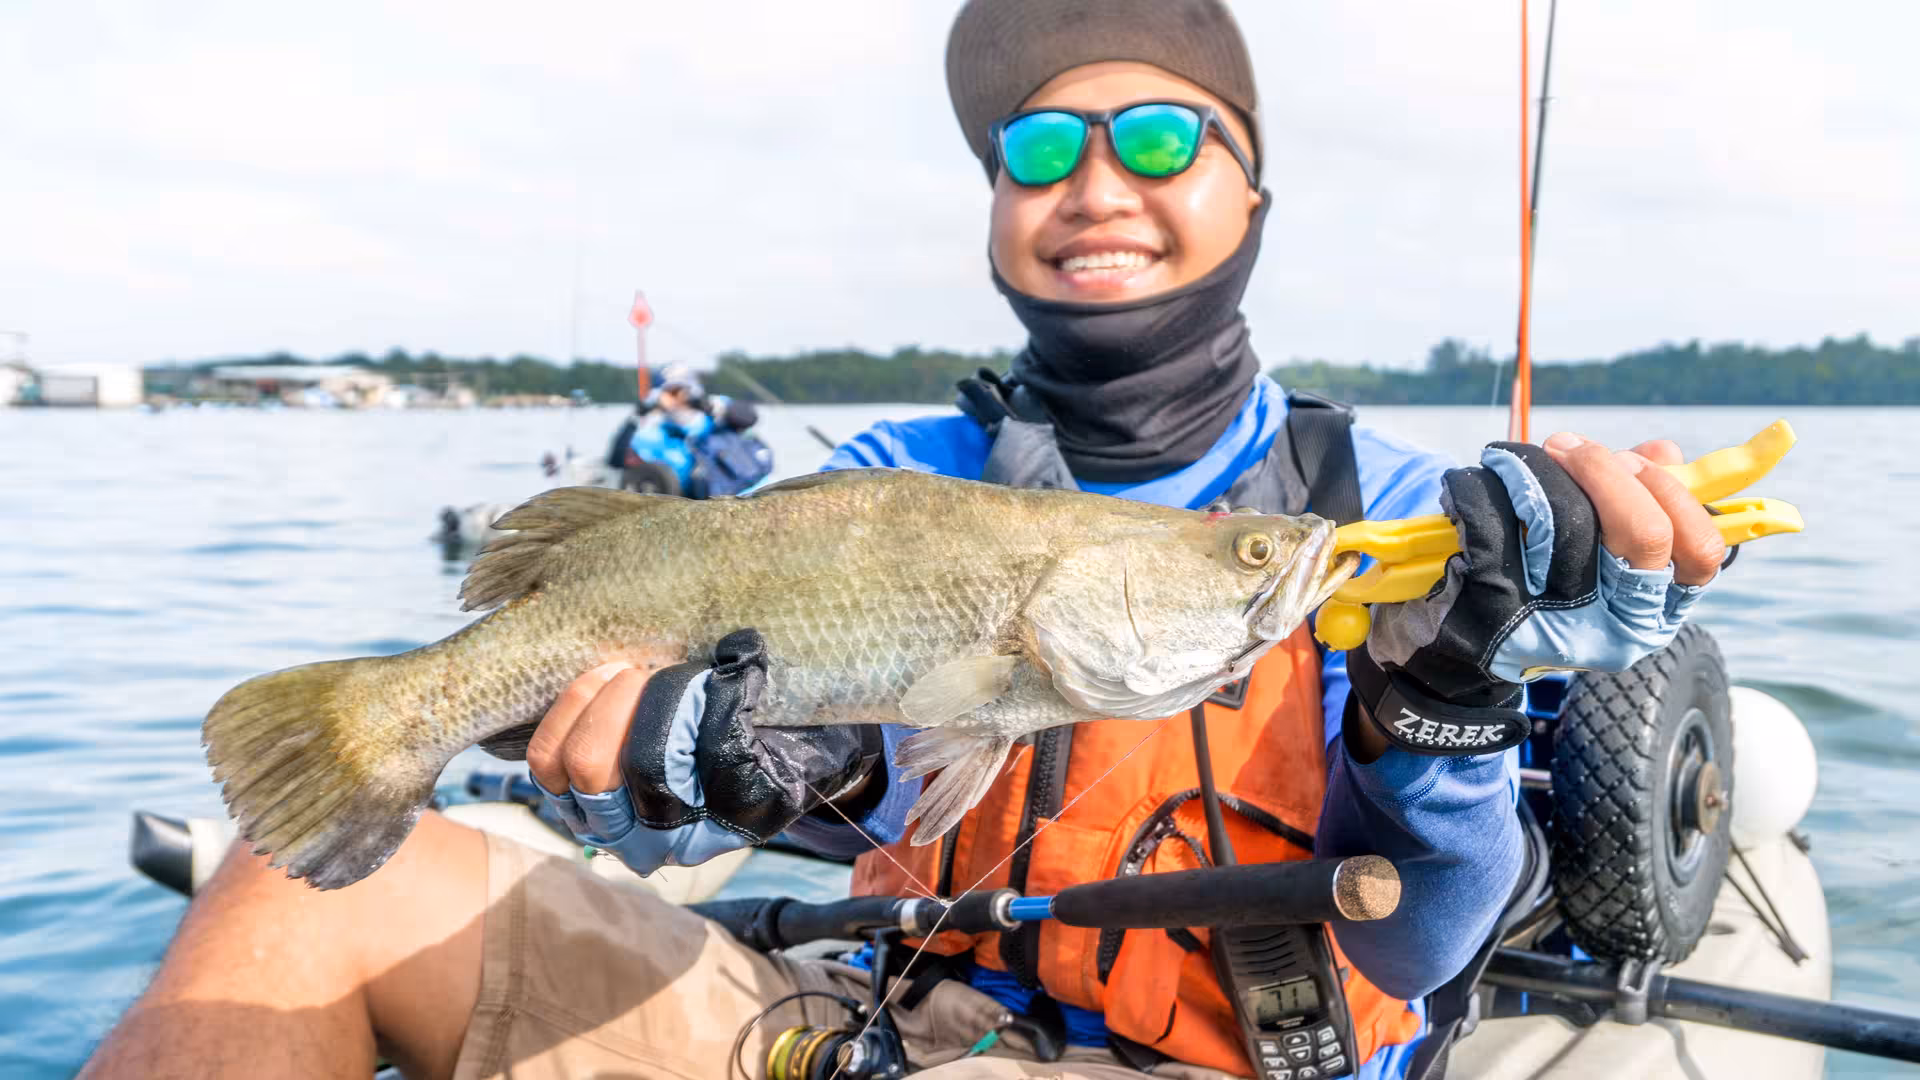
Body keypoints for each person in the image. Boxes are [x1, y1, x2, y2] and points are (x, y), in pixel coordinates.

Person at [82, 3, 1727, 1078]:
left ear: (1253, 199)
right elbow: (710, 769)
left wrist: (1435, 703)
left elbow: (1423, 944)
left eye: (1159, 139)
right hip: (881, 1030)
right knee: (285, 896)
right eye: (1035, 149)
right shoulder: (885, 476)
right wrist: (706, 774)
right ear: (997, 210)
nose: (1094, 182)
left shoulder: (1396, 507)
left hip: (1254, 1058)